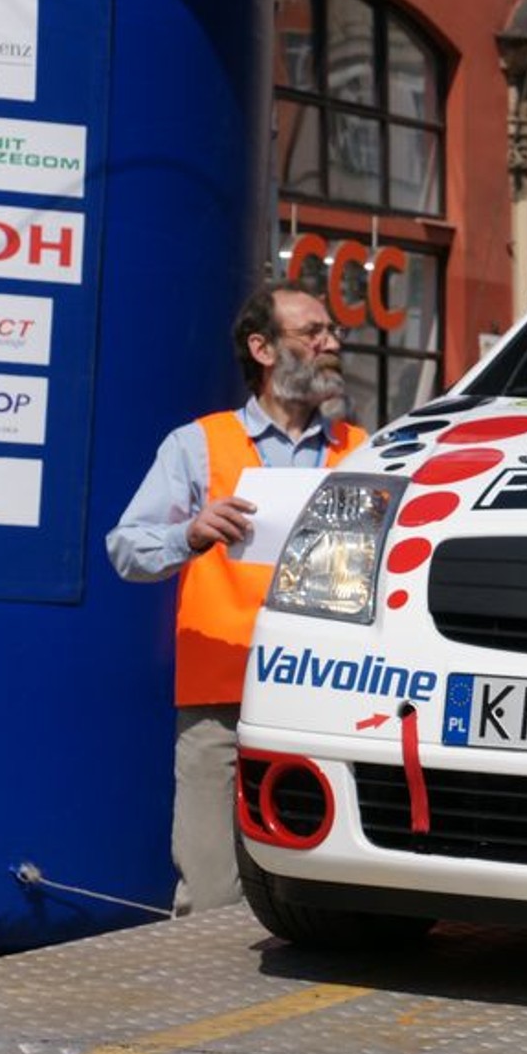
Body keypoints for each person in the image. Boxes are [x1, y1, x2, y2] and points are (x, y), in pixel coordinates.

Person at [106, 281, 366, 915]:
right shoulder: (196, 446)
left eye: (334, 333)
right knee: (212, 889)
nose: (331, 343)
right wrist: (189, 533)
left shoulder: (364, 452)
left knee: (328, 893)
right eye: (313, 332)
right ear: (264, 348)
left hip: (329, 699)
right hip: (220, 698)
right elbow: (125, 549)